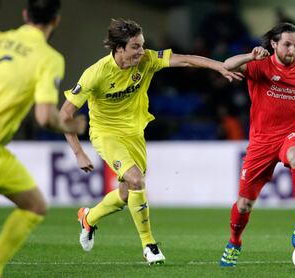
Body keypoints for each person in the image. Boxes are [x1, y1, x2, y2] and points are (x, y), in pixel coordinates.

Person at [59, 18, 242, 265]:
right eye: (135, 46)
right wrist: (79, 152)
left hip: (135, 134)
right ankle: (149, 245)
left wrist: (218, 66)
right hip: (106, 133)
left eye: (142, 45)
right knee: (136, 180)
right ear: (119, 48)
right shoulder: (95, 74)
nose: (141, 51)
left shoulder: (146, 60)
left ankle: (88, 219)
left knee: (126, 194)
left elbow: (186, 58)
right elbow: (65, 114)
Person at [219, 22, 295, 267]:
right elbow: (227, 65)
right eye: (288, 44)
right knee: (244, 204)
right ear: (274, 44)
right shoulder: (260, 66)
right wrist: (250, 55)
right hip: (260, 142)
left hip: (291, 132)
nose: (293, 50)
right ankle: (234, 243)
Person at [0, 1, 87, 277]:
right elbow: (45, 116)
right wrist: (72, 124)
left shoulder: (1, 39)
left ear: (25, 15)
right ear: (56, 21)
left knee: (34, 204)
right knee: (35, 207)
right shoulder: (49, 59)